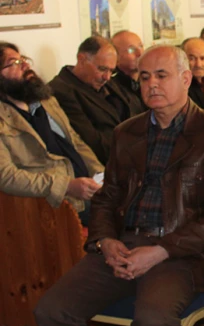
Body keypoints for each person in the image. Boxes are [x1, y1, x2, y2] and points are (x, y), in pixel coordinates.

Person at [34, 44, 204, 326]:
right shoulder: (127, 132)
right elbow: (108, 197)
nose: (152, 84)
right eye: (144, 77)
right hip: (124, 244)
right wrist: (104, 240)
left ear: (186, 79)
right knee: (52, 312)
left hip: (183, 253)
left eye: (161, 75)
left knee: (153, 322)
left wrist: (161, 250)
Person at [0, 42, 103, 218]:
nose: (25, 65)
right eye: (14, 63)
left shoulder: (46, 101)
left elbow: (75, 142)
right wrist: (67, 186)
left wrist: (100, 174)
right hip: (54, 203)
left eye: (23, 59)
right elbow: (7, 176)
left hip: (85, 188)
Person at [49, 36, 144, 164]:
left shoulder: (108, 83)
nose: (107, 77)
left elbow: (135, 112)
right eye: (102, 69)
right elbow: (91, 142)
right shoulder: (62, 91)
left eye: (111, 71)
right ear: (82, 59)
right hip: (112, 161)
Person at [110, 30, 144, 103]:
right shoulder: (111, 89)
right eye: (131, 49)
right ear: (116, 57)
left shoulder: (150, 82)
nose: (140, 53)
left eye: (141, 46)